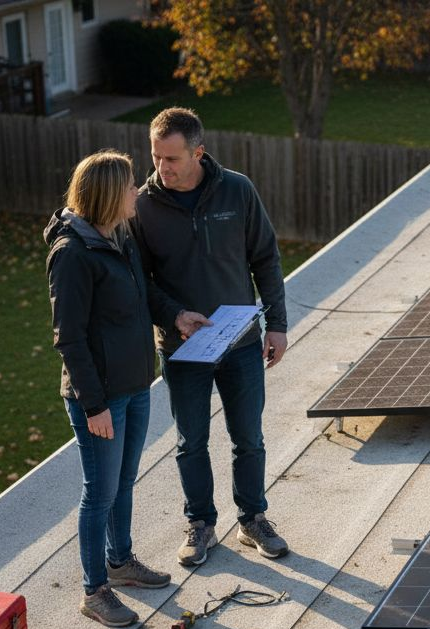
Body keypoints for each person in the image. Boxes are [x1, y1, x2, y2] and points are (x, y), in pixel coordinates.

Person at [131, 107, 289, 567]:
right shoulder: (142, 205)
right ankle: (200, 524)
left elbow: (266, 258)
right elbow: (140, 280)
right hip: (182, 349)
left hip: (240, 343)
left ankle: (253, 519)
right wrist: (174, 315)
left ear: (198, 152)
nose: (162, 168)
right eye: (156, 157)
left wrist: (276, 324)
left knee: (249, 438)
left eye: (172, 158)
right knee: (190, 442)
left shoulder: (237, 190)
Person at [45, 149, 172, 627]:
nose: (136, 191)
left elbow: (143, 299)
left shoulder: (119, 237)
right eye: (129, 185)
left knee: (122, 482)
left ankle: (121, 563)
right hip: (100, 399)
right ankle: (94, 591)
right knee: (99, 492)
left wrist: (176, 316)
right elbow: (69, 338)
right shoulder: (72, 254)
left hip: (136, 385)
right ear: (106, 195)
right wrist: (93, 405)